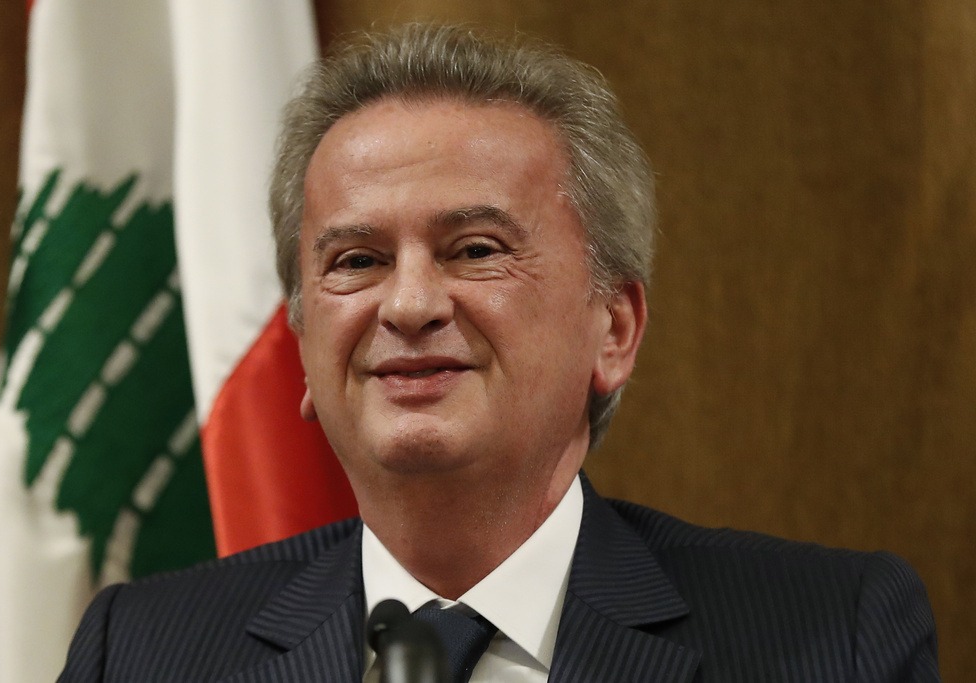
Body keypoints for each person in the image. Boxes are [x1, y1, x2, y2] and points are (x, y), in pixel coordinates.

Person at [58, 24, 939, 682]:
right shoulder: (139, 652)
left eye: (476, 250)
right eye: (356, 261)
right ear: (302, 350)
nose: (408, 304)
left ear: (614, 328)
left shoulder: (835, 638)